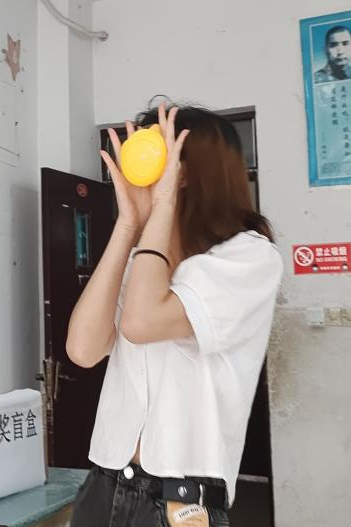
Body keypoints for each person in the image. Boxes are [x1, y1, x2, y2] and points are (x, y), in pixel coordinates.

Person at [66, 103, 282, 527]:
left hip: (178, 501)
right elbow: (82, 350)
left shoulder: (249, 257)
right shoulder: (143, 261)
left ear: (187, 169)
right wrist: (128, 225)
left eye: (156, 148)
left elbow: (141, 324)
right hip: (103, 485)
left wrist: (162, 204)